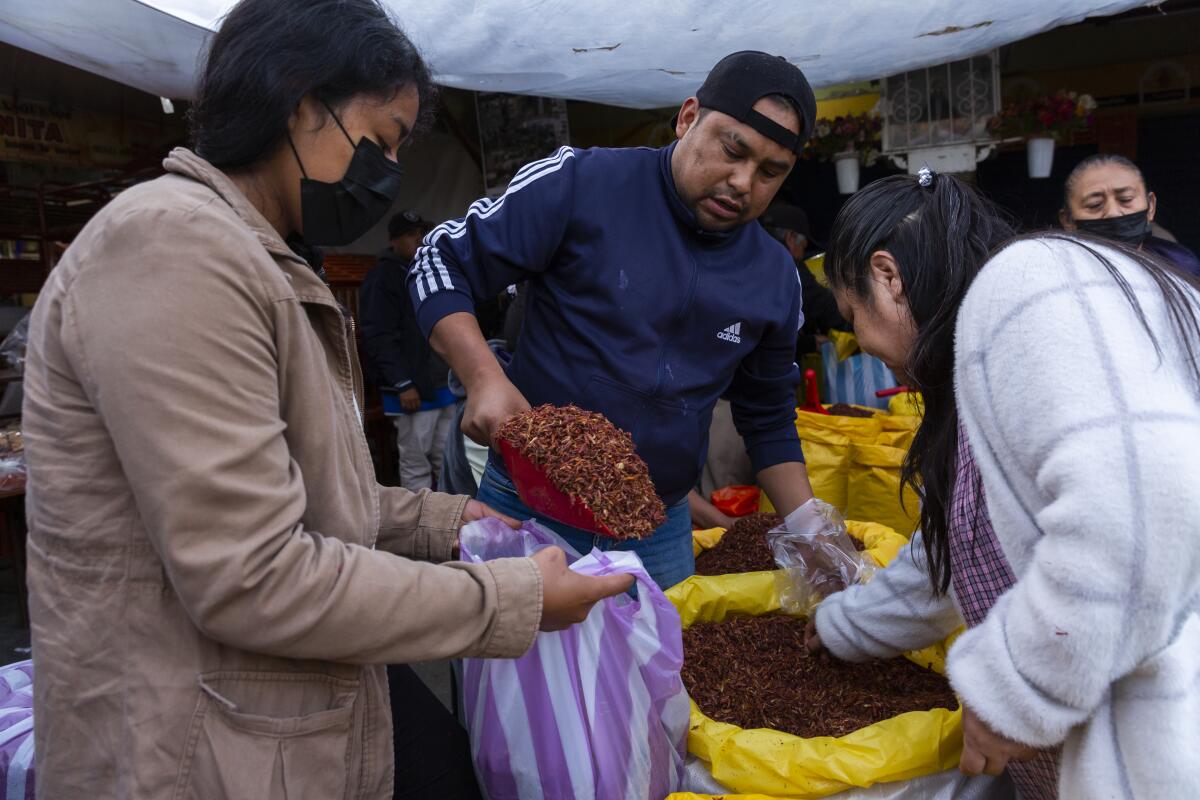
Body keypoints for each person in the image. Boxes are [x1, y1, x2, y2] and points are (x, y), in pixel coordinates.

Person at [20, 2, 632, 798]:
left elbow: (306, 499)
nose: (387, 173)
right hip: (186, 739)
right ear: (301, 101)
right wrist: (510, 600)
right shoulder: (171, 248)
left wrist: (447, 521)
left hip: (269, 699)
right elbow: (252, 574)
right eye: (380, 141)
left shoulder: (258, 257)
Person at [814, 170, 1200, 797]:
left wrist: (1018, 689)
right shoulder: (985, 345)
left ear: (888, 277)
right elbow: (956, 547)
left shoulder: (1029, 284)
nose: (858, 341)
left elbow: (1147, 506)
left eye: (851, 312)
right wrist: (841, 628)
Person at [408, 51, 820, 589]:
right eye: (732, 150)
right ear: (688, 117)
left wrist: (815, 536)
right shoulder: (582, 183)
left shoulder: (773, 276)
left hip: (659, 531)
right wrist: (483, 378)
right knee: (515, 663)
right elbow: (439, 259)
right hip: (528, 504)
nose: (743, 182)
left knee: (660, 672)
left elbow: (768, 419)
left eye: (771, 173)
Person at [361, 209, 457, 490]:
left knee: (447, 458)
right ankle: (421, 528)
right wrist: (402, 383)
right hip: (412, 388)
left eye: (421, 233)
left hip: (441, 383)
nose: (419, 239)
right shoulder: (383, 277)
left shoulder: (428, 268)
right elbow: (378, 335)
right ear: (393, 241)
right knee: (416, 463)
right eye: (410, 234)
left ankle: (456, 525)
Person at [1059, 152, 1200, 278]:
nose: (1113, 212)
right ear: (1068, 221)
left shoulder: (1181, 268)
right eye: (1095, 204)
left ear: (1150, 206)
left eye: (1125, 199)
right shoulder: (1057, 276)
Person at [761, 202, 851, 356]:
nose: (803, 256)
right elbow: (820, 304)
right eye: (804, 245)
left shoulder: (750, 251)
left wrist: (807, 343)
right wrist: (858, 319)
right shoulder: (784, 262)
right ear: (791, 237)